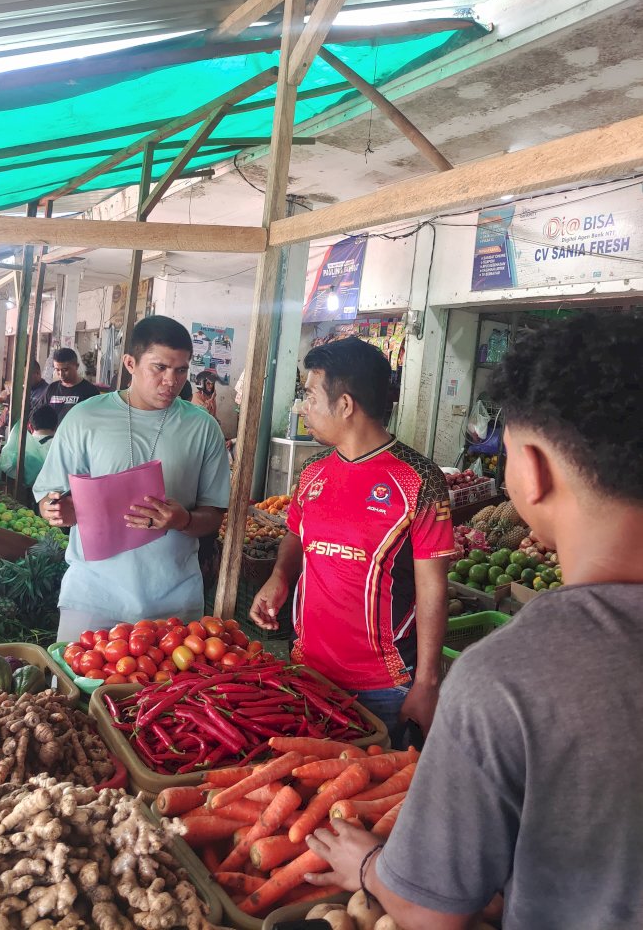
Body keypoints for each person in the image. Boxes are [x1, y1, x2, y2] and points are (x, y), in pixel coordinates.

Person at [304, 312, 643, 930]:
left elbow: (434, 911)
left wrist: (370, 865)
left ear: (531, 470)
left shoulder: (512, 680)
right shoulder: (316, 476)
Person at [250, 337, 455, 741]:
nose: (302, 407)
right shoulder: (312, 471)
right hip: (307, 670)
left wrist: (427, 683)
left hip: (384, 686)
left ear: (345, 405)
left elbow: (434, 588)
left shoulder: (419, 479)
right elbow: (296, 534)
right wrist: (279, 577)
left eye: (309, 395)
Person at [34, 316, 231, 640]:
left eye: (181, 370)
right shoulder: (85, 419)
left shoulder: (203, 428)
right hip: (92, 597)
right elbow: (48, 495)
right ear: (130, 363)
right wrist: (55, 509)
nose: (172, 380)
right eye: (160, 368)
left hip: (173, 603)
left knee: (167, 692)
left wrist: (182, 520)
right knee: (74, 689)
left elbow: (213, 516)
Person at [0, 404, 57, 488]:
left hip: (25, 496)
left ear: (30, 426)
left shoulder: (21, 446)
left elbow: (7, 467)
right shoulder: (63, 447)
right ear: (56, 426)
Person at [38, 348, 99, 425]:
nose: (61, 374)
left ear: (76, 366)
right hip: (54, 436)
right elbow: (38, 412)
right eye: (57, 370)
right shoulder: (51, 389)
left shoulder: (90, 391)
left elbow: (95, 420)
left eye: (65, 369)